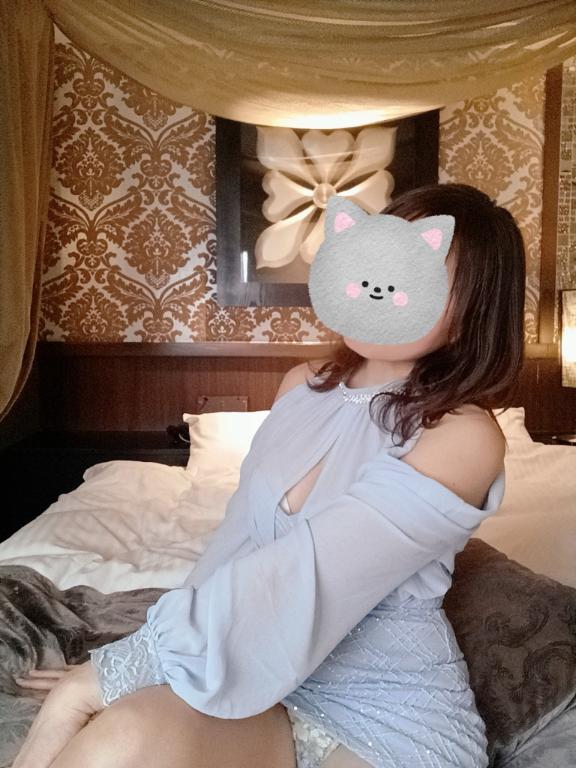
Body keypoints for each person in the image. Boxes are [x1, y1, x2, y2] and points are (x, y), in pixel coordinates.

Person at [13, 182, 525, 768]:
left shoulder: (463, 435)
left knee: (93, 709)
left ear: (470, 314)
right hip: (262, 688)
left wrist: (103, 678)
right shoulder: (302, 385)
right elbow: (238, 547)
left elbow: (307, 573)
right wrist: (137, 664)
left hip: (383, 712)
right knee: (121, 738)